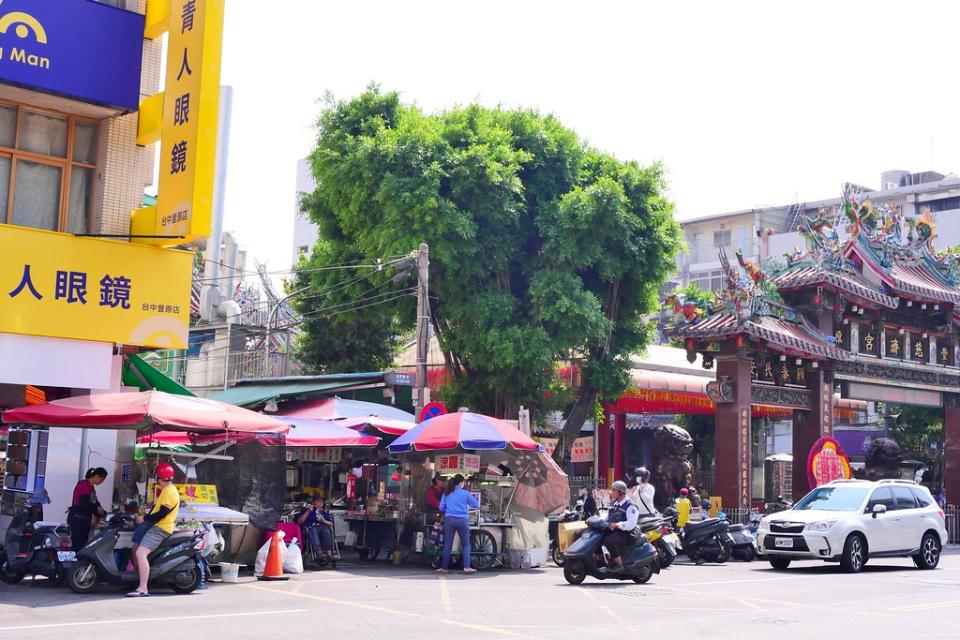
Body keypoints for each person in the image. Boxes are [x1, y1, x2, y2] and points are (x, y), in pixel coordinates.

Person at [126, 462, 180, 597]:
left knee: (140, 553)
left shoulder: (168, 491)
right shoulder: (169, 490)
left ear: (160, 477)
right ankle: (136, 579)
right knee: (136, 548)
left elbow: (162, 513)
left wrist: (144, 519)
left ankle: (143, 588)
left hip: (160, 528)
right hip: (159, 526)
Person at [438, 474, 479, 574]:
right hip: (462, 520)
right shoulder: (465, 493)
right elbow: (476, 505)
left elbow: (441, 508)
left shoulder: (446, 493)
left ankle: (444, 568)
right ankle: (466, 567)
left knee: (448, 544)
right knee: (466, 544)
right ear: (461, 483)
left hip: (449, 520)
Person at [601, 481, 639, 571]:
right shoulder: (613, 503)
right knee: (598, 536)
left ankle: (619, 565)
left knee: (609, 540)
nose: (612, 493)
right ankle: (602, 561)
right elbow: (607, 517)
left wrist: (618, 525)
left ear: (621, 493)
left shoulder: (630, 506)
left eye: (614, 491)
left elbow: (631, 523)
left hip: (627, 533)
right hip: (615, 531)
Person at [67, 467, 108, 551]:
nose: (102, 482)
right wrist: (97, 510)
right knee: (77, 546)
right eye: (102, 479)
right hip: (77, 520)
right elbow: (85, 503)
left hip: (84, 520)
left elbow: (95, 502)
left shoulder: (91, 488)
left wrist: (103, 513)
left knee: (82, 545)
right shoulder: (84, 485)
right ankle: (77, 563)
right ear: (96, 476)